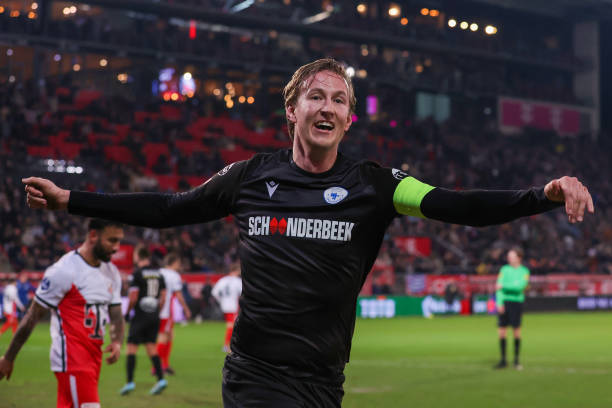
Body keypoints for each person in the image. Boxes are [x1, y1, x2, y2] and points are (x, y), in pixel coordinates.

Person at [21, 58, 594, 407]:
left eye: (338, 100)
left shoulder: (376, 185)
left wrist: (538, 195)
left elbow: (457, 205)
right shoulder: (249, 177)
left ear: (349, 119)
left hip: (324, 381)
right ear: (291, 110)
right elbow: (171, 208)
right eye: (315, 97)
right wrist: (74, 200)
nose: (327, 107)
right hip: (255, 374)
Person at [0, 219, 125, 408]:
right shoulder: (64, 271)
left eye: (118, 241)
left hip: (93, 359)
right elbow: (33, 315)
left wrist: (116, 341)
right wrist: (8, 358)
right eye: (112, 241)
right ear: (93, 236)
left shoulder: (112, 272)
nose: (116, 248)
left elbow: (115, 313)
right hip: (72, 361)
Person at [120, 246, 167, 396]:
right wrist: (156, 311)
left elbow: (133, 297)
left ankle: (129, 383)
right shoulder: (159, 274)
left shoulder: (137, 273)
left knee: (131, 348)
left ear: (138, 256)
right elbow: (163, 297)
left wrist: (127, 313)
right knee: (151, 347)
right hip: (154, 315)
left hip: (140, 316)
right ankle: (161, 380)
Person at [494, 247, 530, 370]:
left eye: (512, 256)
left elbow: (520, 287)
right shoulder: (504, 269)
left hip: (516, 303)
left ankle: (516, 360)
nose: (509, 259)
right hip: (504, 302)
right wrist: (499, 303)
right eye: (509, 257)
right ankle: (503, 360)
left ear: (519, 258)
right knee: (502, 332)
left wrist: (504, 286)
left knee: (516, 332)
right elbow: (498, 289)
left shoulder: (524, 271)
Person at [156, 252, 192, 374]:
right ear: (174, 263)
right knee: (164, 336)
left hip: (156, 308)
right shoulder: (174, 275)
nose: (180, 265)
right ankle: (157, 367)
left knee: (169, 335)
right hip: (166, 310)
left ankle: (165, 365)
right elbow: (178, 295)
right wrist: (186, 309)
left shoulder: (158, 272)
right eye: (179, 263)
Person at [211, 262, 242, 353]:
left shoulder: (223, 280)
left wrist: (221, 301)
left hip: (225, 305)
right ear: (236, 271)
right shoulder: (237, 281)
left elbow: (214, 293)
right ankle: (226, 345)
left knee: (231, 325)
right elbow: (242, 293)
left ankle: (231, 344)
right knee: (231, 325)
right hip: (232, 306)